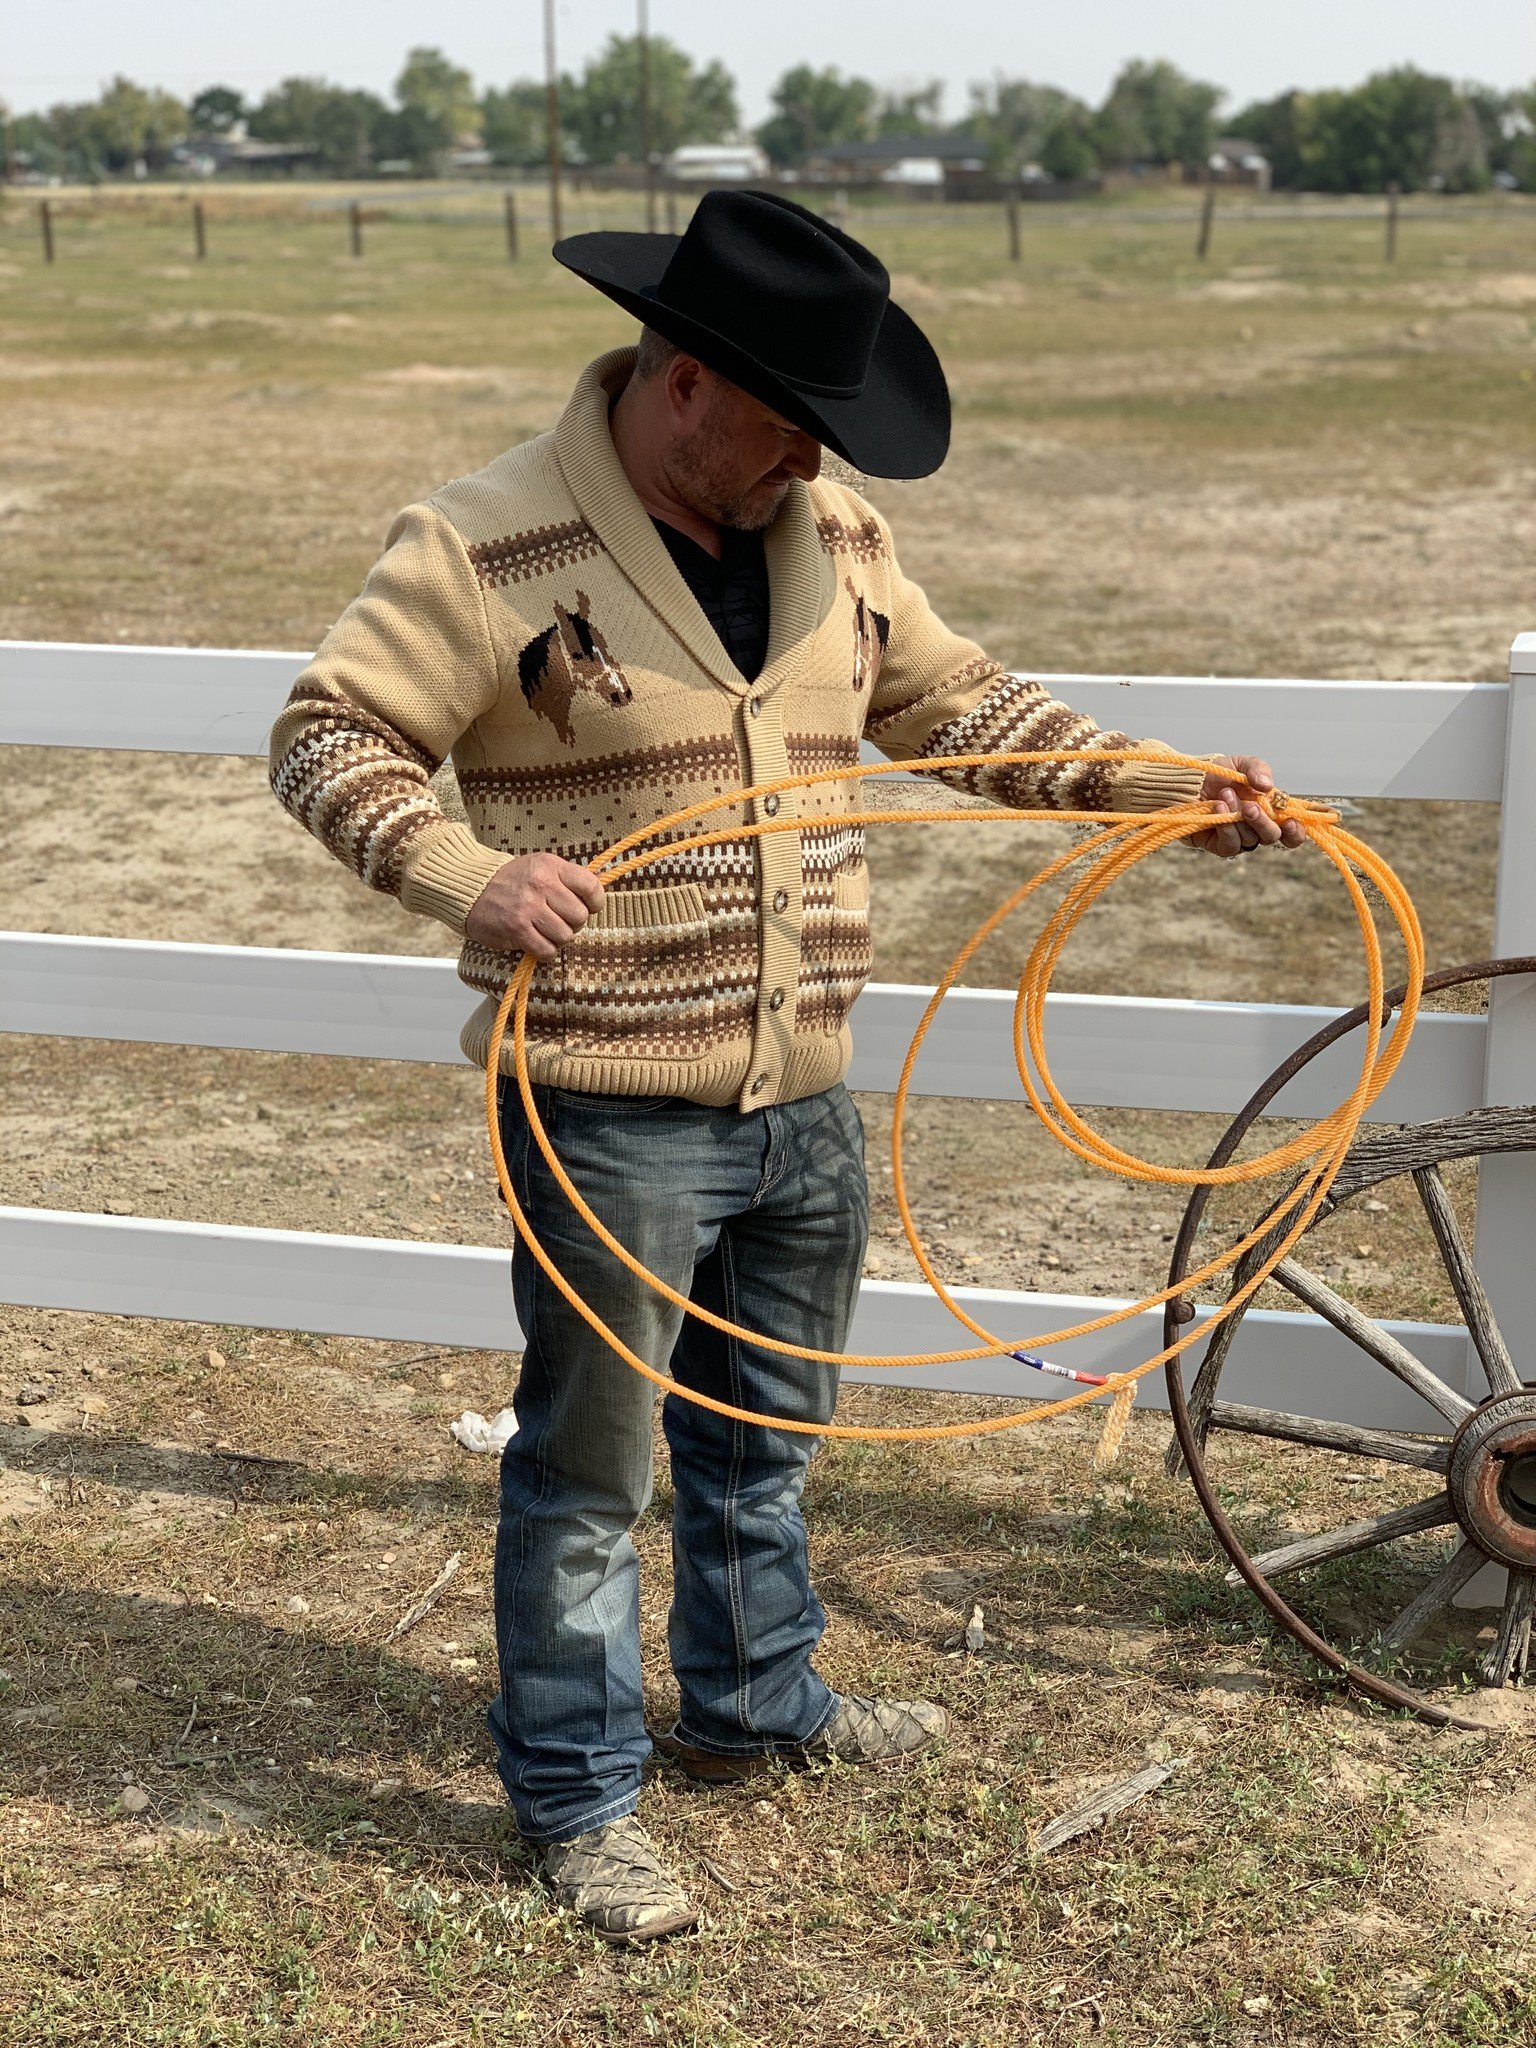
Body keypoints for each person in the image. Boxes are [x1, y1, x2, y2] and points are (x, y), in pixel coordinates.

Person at [269, 189, 1300, 1945]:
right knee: (592, 1474)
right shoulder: (487, 543)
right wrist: (470, 875)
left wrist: (1158, 787)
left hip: (800, 1091)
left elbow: (966, 711)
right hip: (608, 1102)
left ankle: (756, 1703)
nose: (810, 461)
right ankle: (581, 1794)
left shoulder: (835, 535)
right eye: (785, 423)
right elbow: (325, 734)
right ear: (681, 382)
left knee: (765, 1431)